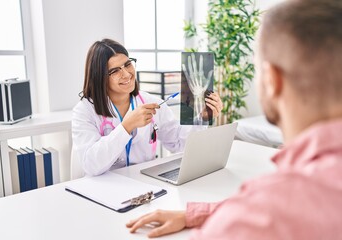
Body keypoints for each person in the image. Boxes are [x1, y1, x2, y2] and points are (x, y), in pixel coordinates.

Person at [126, 0, 342, 239]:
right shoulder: (278, 204)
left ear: (271, 80)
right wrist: (197, 214)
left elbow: (266, 211)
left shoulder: (261, 212)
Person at [72, 39, 222, 176]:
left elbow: (179, 143)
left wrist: (202, 117)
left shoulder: (150, 101)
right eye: (115, 71)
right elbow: (91, 165)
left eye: (127, 64)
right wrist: (126, 126)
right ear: (100, 77)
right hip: (104, 189)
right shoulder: (84, 111)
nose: (126, 74)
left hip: (145, 185)